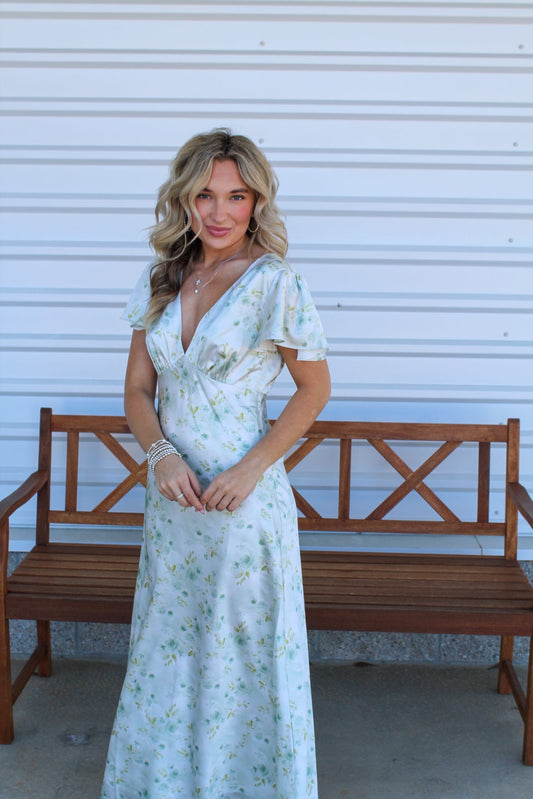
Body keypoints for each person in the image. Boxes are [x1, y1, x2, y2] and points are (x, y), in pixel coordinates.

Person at [100, 128, 330, 799]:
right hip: (173, 502)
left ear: (256, 202)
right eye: (205, 194)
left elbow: (313, 390)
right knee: (167, 650)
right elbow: (137, 390)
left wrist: (250, 469)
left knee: (244, 656)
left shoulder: (276, 284)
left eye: (236, 196)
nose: (219, 211)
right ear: (184, 198)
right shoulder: (161, 278)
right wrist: (161, 455)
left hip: (242, 503)